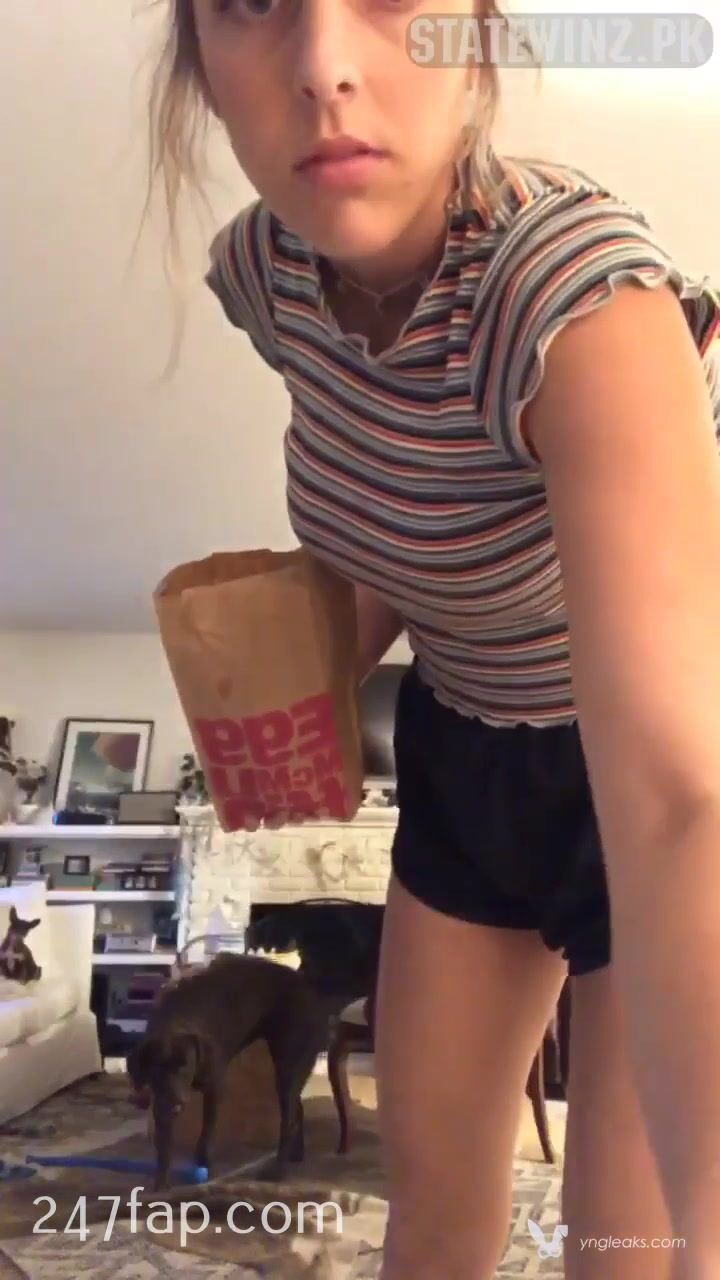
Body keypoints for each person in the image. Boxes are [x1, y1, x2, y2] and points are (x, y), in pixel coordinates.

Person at [146, 2, 720, 1276]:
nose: (323, 67)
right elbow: (409, 516)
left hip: (645, 770)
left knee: (629, 1236)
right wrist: (292, 687)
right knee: (433, 1212)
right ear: (197, 51)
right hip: (464, 740)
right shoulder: (270, 273)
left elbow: (680, 795)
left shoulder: (579, 306)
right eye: (250, 1)